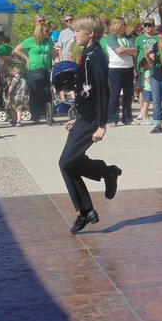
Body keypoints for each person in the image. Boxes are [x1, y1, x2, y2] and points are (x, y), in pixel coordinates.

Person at [58, 14, 121, 234]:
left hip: (93, 119)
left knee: (66, 162)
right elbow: (88, 91)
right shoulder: (87, 53)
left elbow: (104, 91)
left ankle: (86, 209)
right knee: (70, 162)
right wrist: (77, 116)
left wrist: (102, 124)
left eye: (77, 31)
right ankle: (106, 174)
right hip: (85, 117)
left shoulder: (96, 57)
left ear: (90, 33)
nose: (74, 34)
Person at [13, 22, 55, 124]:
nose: (48, 33)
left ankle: (47, 114)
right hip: (34, 70)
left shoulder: (48, 40)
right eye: (46, 31)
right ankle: (35, 116)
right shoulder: (30, 41)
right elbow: (16, 50)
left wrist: (54, 60)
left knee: (46, 92)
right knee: (35, 92)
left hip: (45, 68)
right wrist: (26, 58)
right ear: (40, 32)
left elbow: (51, 52)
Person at [106, 17, 138, 126]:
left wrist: (126, 50)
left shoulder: (128, 38)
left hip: (128, 68)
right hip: (115, 68)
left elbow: (135, 51)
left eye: (125, 24)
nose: (124, 26)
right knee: (115, 94)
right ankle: (112, 119)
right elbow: (119, 51)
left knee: (128, 94)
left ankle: (127, 118)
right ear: (117, 25)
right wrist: (126, 50)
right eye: (123, 24)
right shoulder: (111, 38)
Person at [134, 18, 158, 119]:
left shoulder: (158, 38)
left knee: (155, 89)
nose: (147, 27)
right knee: (142, 90)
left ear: (153, 26)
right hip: (142, 68)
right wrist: (134, 67)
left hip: (155, 67)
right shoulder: (139, 39)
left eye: (150, 25)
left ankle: (156, 112)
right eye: (145, 25)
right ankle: (143, 111)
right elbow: (135, 53)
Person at [138, 56, 153, 125]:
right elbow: (148, 79)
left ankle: (146, 117)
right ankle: (144, 118)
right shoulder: (147, 71)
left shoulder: (148, 70)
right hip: (148, 89)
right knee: (146, 105)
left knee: (147, 104)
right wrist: (154, 84)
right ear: (146, 65)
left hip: (148, 89)